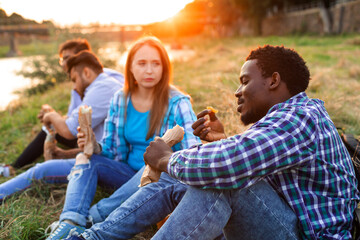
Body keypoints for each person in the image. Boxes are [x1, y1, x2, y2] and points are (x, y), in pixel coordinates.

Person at [71, 45, 359, 240]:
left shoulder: (298, 119)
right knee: (198, 175)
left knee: (219, 182)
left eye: (245, 81)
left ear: (273, 80)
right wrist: (222, 141)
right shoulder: (292, 115)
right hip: (287, 220)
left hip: (308, 235)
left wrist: (165, 160)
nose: (237, 91)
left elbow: (230, 165)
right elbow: (257, 166)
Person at [46, 36, 200, 240]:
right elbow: (112, 150)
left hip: (158, 180)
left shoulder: (177, 102)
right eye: (142, 63)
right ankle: (70, 221)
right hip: (126, 174)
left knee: (157, 169)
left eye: (156, 64)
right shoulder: (121, 98)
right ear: (131, 68)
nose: (149, 70)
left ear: (164, 68)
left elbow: (193, 152)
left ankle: (94, 216)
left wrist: (168, 162)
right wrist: (94, 146)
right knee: (85, 158)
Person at [0, 51, 122, 202]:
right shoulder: (108, 82)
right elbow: (105, 146)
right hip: (107, 156)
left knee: (42, 170)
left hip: (113, 165)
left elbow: (69, 130)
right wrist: (65, 154)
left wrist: (50, 115)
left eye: (74, 79)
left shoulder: (103, 88)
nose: (74, 86)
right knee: (47, 166)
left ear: (86, 72)